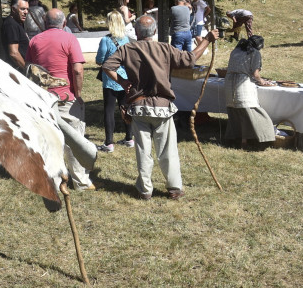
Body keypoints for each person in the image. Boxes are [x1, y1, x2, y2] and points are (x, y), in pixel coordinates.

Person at [101, 14, 219, 200]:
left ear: (137, 32)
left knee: (143, 151)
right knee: (168, 151)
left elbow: (107, 65)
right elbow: (190, 59)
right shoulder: (164, 48)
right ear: (154, 31)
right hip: (162, 108)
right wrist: (206, 40)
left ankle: (145, 190)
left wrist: (123, 82)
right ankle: (174, 188)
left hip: (139, 108)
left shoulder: (127, 49)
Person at [26, 9, 95, 191]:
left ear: (44, 21)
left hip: (43, 99)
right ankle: (80, 181)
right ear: (64, 23)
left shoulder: (34, 41)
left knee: (49, 140)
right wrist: (78, 94)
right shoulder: (69, 39)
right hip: (66, 98)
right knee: (74, 139)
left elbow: (29, 69)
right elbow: (78, 70)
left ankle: (53, 179)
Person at [224, 35, 276, 148]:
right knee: (249, 111)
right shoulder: (255, 53)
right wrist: (262, 81)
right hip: (242, 83)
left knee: (236, 112)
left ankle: (236, 139)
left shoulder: (236, 50)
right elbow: (255, 74)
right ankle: (264, 137)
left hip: (229, 81)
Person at [95, 11, 134, 152]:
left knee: (109, 110)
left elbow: (99, 60)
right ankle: (129, 138)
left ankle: (109, 143)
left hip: (110, 79)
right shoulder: (127, 40)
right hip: (125, 78)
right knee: (126, 108)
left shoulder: (106, 40)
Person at [2, 0, 30, 71]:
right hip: (17, 71)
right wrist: (27, 71)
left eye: (27, 9)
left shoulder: (18, 22)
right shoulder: (11, 24)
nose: (26, 12)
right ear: (13, 9)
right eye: (22, 9)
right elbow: (13, 53)